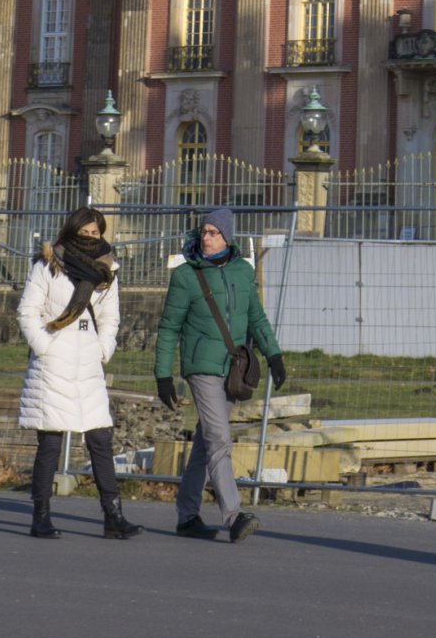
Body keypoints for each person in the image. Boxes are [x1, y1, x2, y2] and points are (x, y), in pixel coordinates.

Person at [154, 206, 286, 544]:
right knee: (219, 439)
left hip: (233, 368)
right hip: (201, 367)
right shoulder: (186, 276)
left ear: (227, 236)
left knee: (206, 441)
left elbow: (256, 317)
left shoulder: (243, 271)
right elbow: (169, 328)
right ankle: (233, 515)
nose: (206, 237)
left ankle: (187, 517)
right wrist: (163, 374)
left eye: (213, 232)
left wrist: (274, 354)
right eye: (204, 231)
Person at [17, 206, 141, 540]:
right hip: (52, 362)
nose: (89, 237)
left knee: (100, 439)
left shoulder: (107, 270)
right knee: (50, 443)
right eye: (83, 231)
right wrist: (44, 346)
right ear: (71, 231)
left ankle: (113, 516)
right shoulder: (48, 265)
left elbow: (111, 317)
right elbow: (27, 312)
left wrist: (103, 349)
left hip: (87, 362)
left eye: (94, 232)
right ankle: (41, 517)